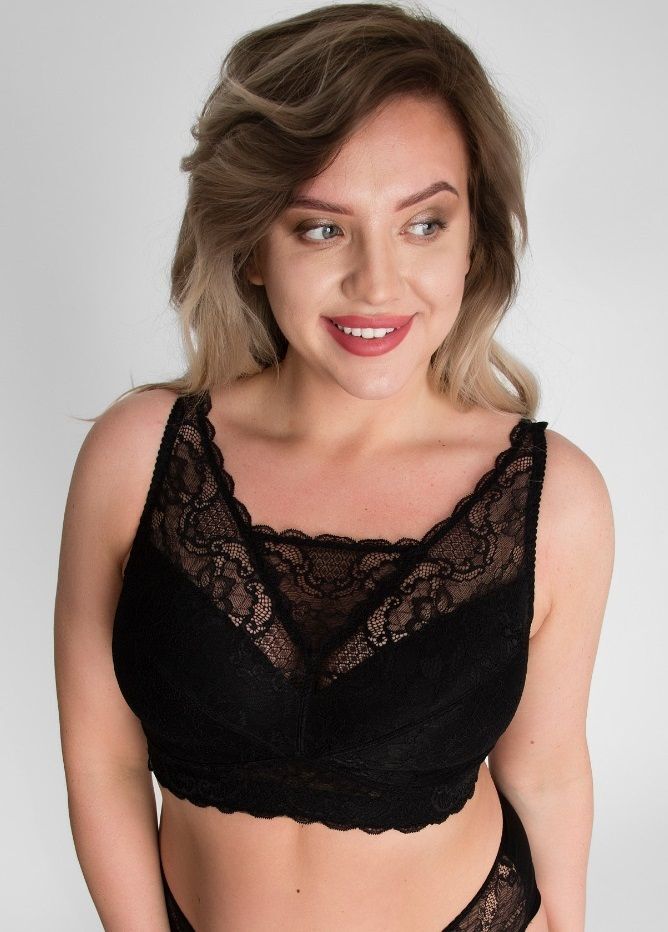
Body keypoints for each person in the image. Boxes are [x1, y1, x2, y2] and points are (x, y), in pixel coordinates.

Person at [54, 2, 614, 930]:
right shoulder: (138, 456)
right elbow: (102, 760)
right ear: (253, 246)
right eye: (322, 228)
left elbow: (548, 771)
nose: (378, 283)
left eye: (424, 224)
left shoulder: (558, 501)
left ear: (473, 241)